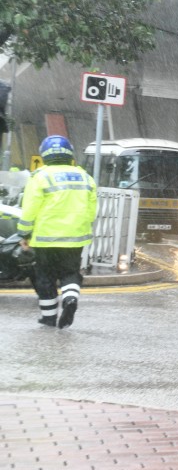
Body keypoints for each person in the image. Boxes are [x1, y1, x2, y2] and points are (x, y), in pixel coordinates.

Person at [17, 136, 98, 328]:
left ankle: (49, 317)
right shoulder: (85, 177)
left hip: (45, 239)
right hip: (75, 239)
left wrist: (24, 233)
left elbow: (29, 210)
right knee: (70, 273)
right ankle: (70, 299)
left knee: (45, 276)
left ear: (45, 155)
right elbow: (91, 211)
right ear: (70, 154)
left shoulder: (39, 177)